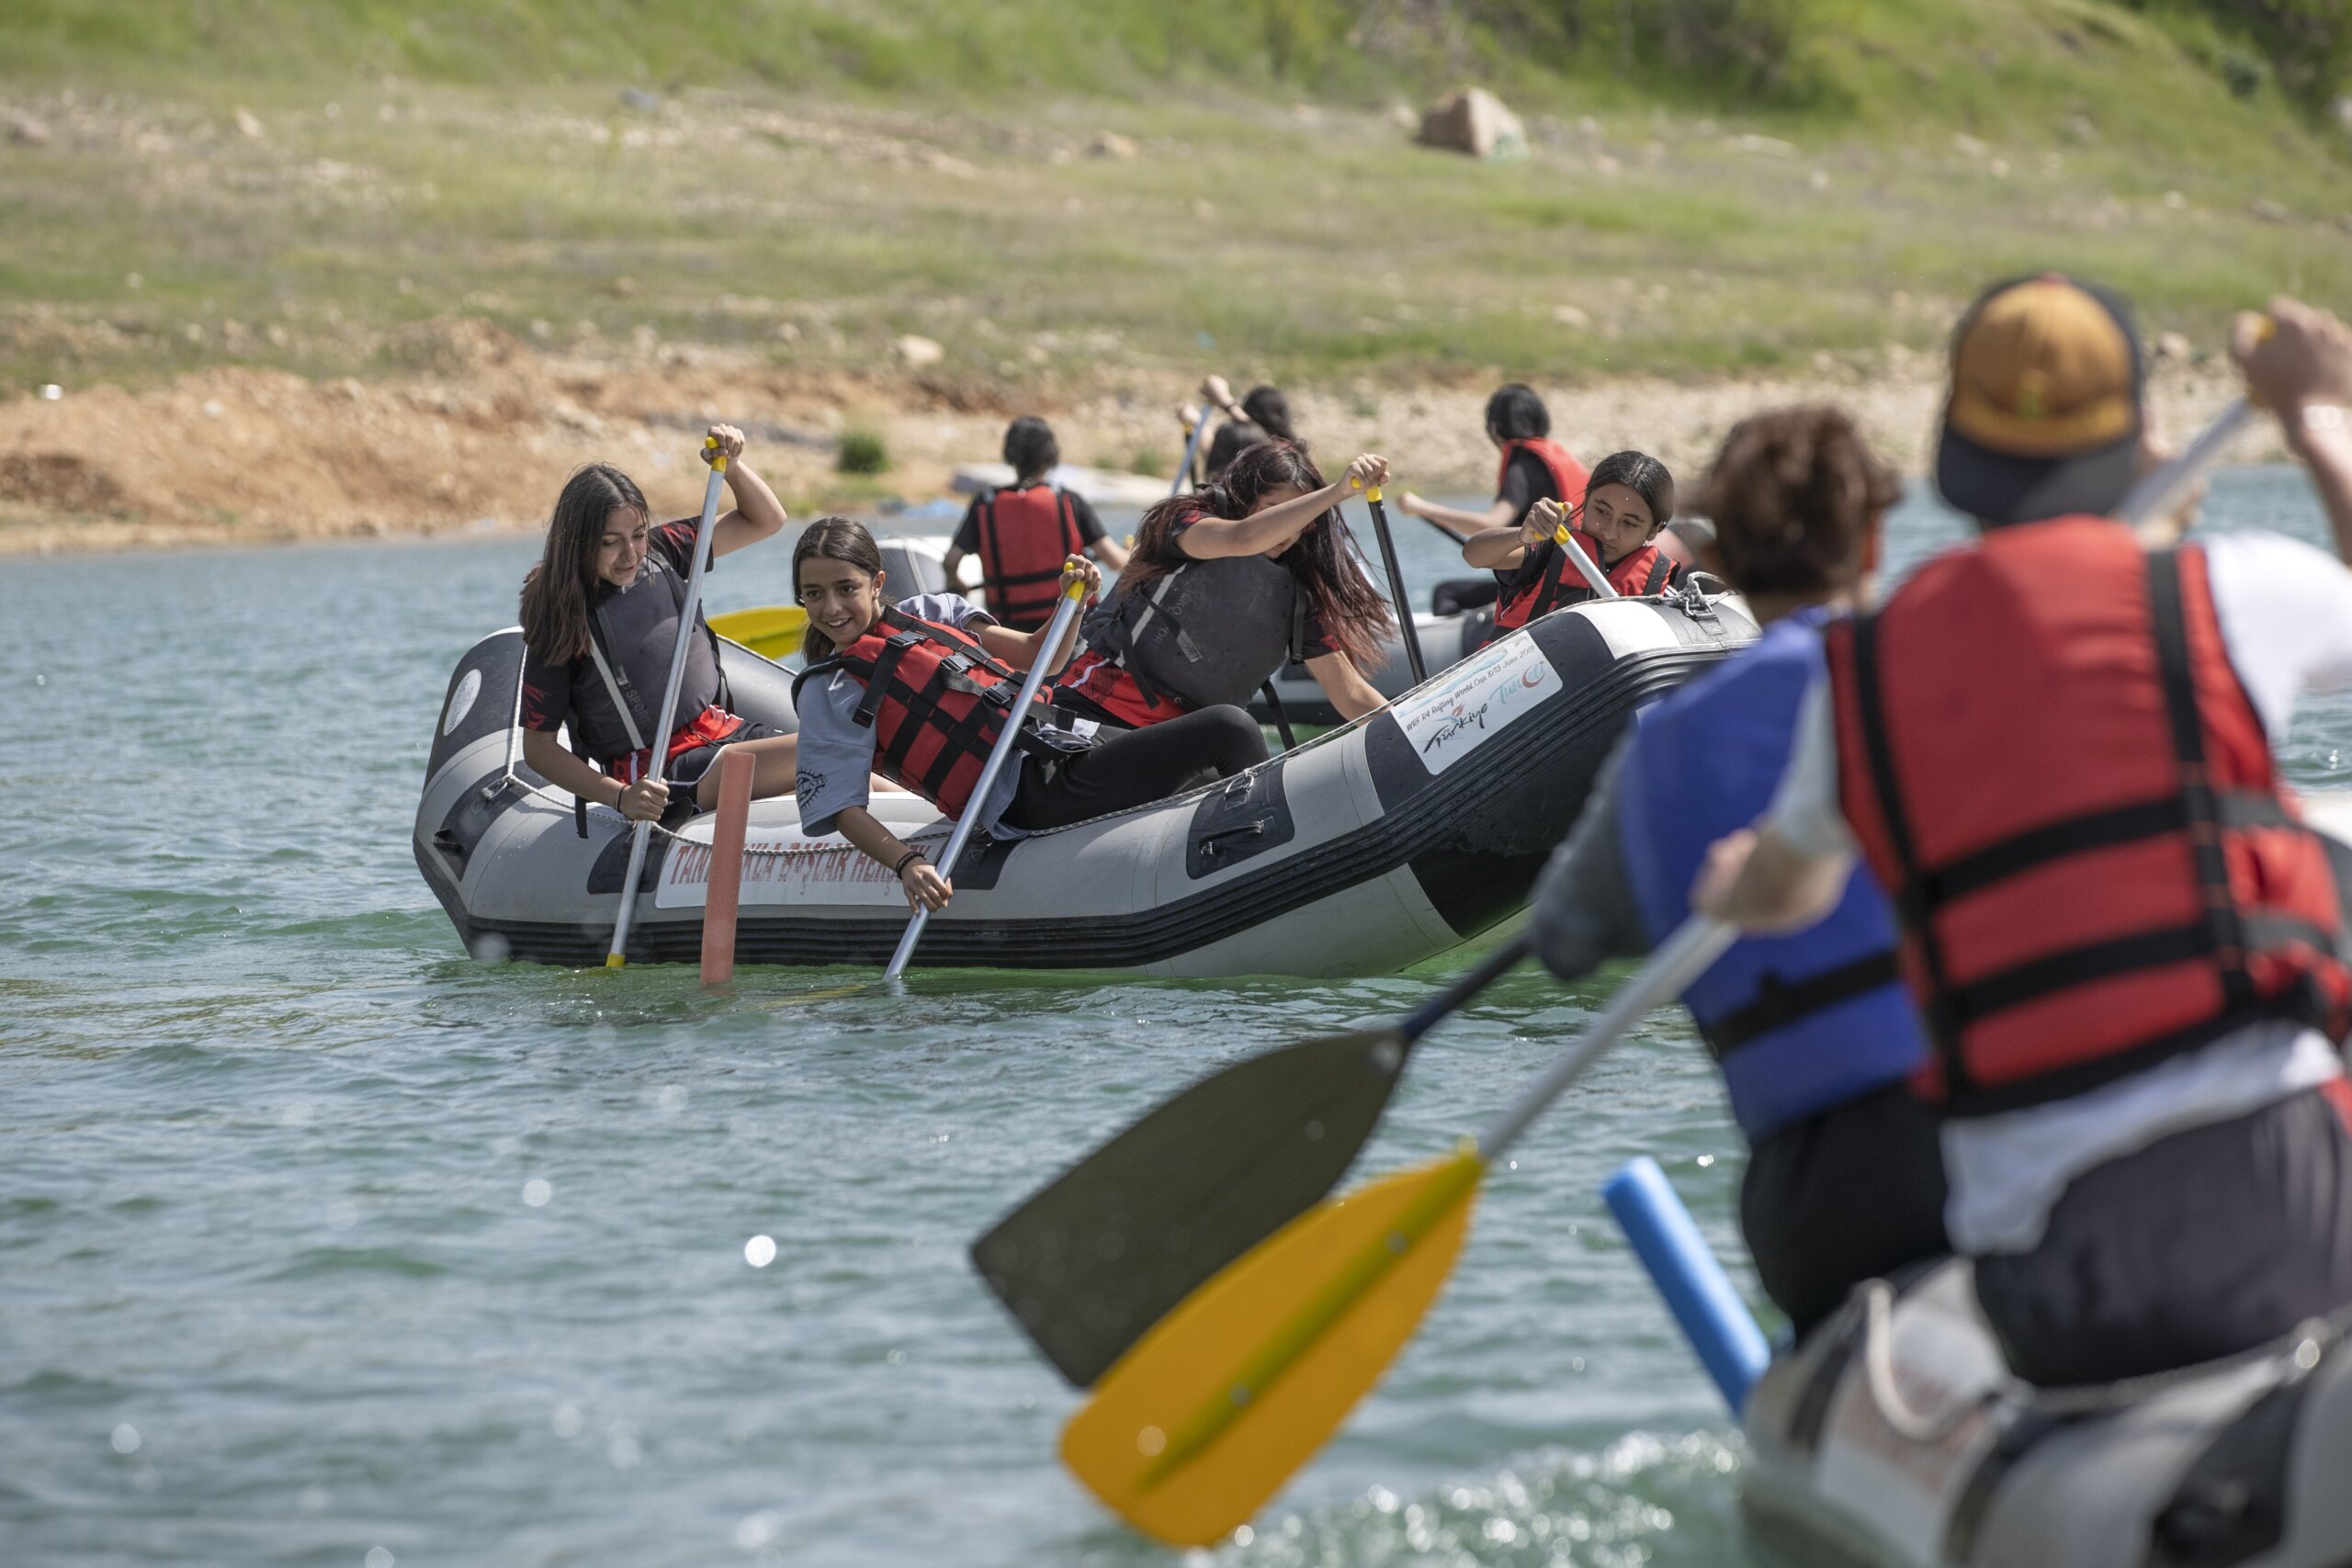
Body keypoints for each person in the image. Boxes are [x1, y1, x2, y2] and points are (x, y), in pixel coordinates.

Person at [1693, 278, 2352, 1384]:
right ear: (2139, 440)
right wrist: (2317, 419)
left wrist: (1732, 886)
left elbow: (1784, 893)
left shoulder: (1858, 676)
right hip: (2284, 1201)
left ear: (1955, 448)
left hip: (2042, 1279)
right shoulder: (2225, 592)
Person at [1528, 409, 1943, 1335]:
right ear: (1873, 539)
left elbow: (1561, 941)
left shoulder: (1662, 749)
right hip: (2001, 1128)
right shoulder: (1952, 682)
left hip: (1814, 1205)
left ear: (1729, 557)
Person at [790, 519, 1269, 913]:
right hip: (1025, 793)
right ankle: (1264, 875)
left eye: (845, 588)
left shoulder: (931, 610)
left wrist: (1071, 602)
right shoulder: (827, 688)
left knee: (1206, 773)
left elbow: (1042, 656)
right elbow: (842, 807)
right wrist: (907, 863)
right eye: (813, 594)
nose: (831, 608)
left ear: (877, 583)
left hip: (1067, 744)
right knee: (1229, 727)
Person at [518, 427, 799, 824]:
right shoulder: (560, 620)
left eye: (636, 535)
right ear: (578, 542)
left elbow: (767, 519)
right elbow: (539, 748)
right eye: (610, 542)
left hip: (722, 732)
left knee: (855, 776)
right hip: (662, 772)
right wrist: (621, 798)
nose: (630, 554)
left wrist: (732, 468)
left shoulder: (665, 548)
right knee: (830, 750)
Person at [1054, 441, 1396, 731]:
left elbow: (1349, 693)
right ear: (1245, 502)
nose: (1286, 531)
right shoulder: (1186, 522)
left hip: (1184, 736)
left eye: (1299, 519)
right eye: (1274, 511)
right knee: (1235, 730)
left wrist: (1416, 727)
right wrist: (1338, 491)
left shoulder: (1297, 594)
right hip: (1101, 706)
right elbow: (1244, 537)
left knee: (1233, 732)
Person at [1469, 449, 1685, 643]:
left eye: (1628, 523)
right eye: (1601, 511)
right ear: (1587, 499)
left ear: (1654, 530)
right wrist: (1521, 535)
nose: (1609, 531)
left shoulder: (1659, 591)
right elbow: (1473, 555)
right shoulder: (1548, 550)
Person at [943, 417, 1128, 632]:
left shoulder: (985, 504)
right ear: (1051, 456)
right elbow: (1116, 562)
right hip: (1066, 627)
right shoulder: (1068, 501)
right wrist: (1128, 552)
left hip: (1009, 629)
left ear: (1010, 456)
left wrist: (955, 582)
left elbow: (950, 561)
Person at [1395, 383, 1588, 546]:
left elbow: (1490, 525)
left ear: (1495, 428)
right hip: (1569, 574)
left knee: (1445, 592)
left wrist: (1420, 507)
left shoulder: (1520, 469)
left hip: (1543, 584)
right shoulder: (1558, 458)